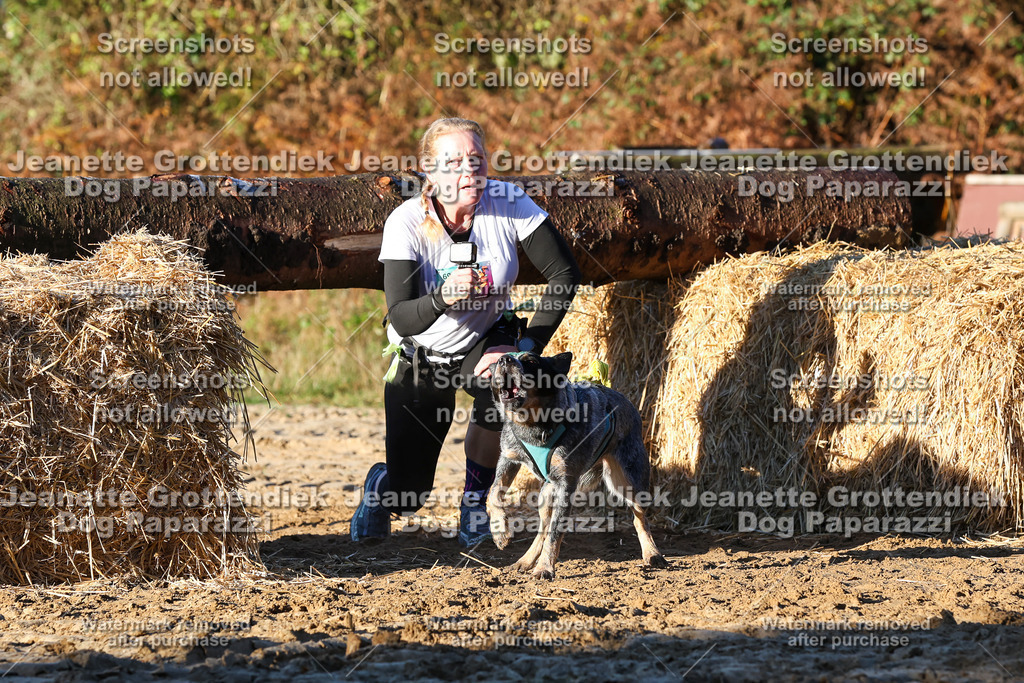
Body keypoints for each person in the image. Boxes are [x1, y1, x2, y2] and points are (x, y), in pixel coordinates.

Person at [350, 117, 581, 547]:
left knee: (507, 381)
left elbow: (564, 274)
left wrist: (527, 346)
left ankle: (477, 501)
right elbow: (400, 317)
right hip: (422, 355)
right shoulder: (406, 222)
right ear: (429, 173)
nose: (468, 171)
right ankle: (381, 490)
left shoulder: (508, 201)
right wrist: (443, 298)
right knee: (410, 492)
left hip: (485, 339)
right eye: (453, 162)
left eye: (476, 160)